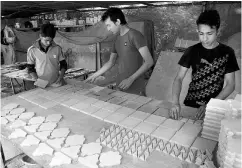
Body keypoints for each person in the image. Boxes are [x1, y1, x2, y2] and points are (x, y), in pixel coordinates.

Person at [170, 10, 239, 120]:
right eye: (201, 34)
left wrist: (210, 105)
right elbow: (179, 78)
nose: (205, 39)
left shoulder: (227, 52)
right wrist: (175, 103)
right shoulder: (192, 51)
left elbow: (230, 85)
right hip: (191, 104)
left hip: (215, 106)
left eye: (209, 34)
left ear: (218, 31)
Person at [85, 8, 154, 95]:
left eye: (109, 25)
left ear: (117, 22)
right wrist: (95, 75)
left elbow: (149, 62)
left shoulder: (135, 35)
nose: (108, 29)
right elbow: (111, 62)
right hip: (120, 83)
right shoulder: (117, 39)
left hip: (135, 85)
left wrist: (131, 79)